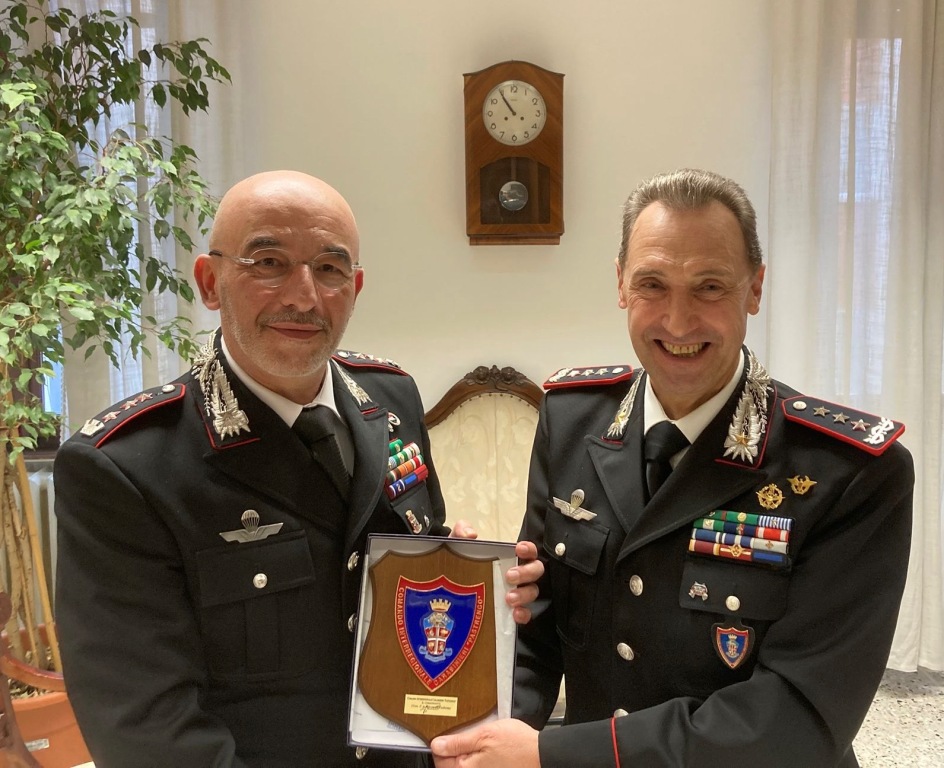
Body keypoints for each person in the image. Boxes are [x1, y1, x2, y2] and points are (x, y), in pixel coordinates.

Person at [54, 170, 543, 767]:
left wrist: (462, 571)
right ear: (209, 283)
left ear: (355, 287)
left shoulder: (390, 398)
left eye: (330, 269)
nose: (304, 297)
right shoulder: (128, 465)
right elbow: (150, 731)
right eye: (268, 263)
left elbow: (399, 573)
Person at [430, 168, 914, 767]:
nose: (678, 321)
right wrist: (475, 737)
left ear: (755, 289)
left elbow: (798, 717)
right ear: (621, 284)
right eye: (652, 284)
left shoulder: (850, 473)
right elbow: (537, 628)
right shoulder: (572, 419)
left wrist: (552, 755)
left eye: (710, 286)